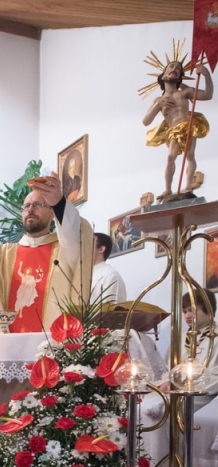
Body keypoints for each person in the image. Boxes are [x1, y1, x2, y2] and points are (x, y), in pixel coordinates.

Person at [0, 173, 94, 334]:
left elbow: (76, 234)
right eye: (26, 206)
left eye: (38, 204)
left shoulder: (65, 251)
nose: (30, 209)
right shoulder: (3, 256)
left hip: (51, 344)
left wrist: (59, 202)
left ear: (52, 212)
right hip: (8, 344)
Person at [142, 288, 218, 467]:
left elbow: (216, 375)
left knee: (169, 410)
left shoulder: (216, 339)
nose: (188, 315)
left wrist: (186, 384)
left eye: (192, 310)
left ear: (209, 310)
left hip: (203, 395)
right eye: (185, 311)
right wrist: (167, 382)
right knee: (142, 405)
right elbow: (168, 370)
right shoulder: (182, 339)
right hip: (176, 390)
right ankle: (151, 466)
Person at [143, 60, 213, 201]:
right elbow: (146, 121)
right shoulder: (159, 100)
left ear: (180, 76)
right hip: (173, 130)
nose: (175, 69)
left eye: (178, 68)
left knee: (190, 155)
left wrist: (206, 75)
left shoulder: (185, 93)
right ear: (164, 75)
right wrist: (158, 105)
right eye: (171, 66)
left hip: (187, 126)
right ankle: (168, 189)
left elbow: (207, 95)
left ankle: (188, 186)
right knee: (170, 157)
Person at [90, 233, 127, 305]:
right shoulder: (82, 275)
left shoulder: (111, 276)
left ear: (101, 249)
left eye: (88, 244)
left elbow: (110, 310)